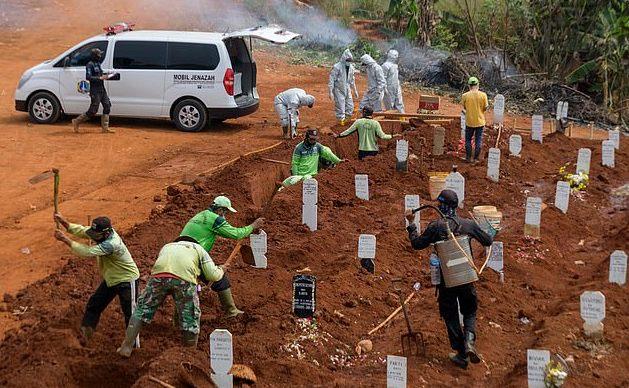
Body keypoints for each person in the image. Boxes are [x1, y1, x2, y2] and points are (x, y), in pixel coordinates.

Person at [404, 190, 492, 369]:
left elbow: (417, 244)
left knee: (450, 315)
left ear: (440, 205)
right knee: (469, 311)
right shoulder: (467, 224)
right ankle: (469, 341)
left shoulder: (436, 226)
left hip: (447, 282)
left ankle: (461, 353)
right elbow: (488, 240)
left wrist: (411, 225)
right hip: (467, 278)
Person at [117, 236, 226, 357]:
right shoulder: (198, 248)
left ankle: (126, 347)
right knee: (190, 315)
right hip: (183, 279)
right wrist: (221, 269)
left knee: (142, 309)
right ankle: (189, 355)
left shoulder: (167, 246)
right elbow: (213, 275)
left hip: (158, 276)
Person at [53, 214, 140, 342]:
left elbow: (87, 252)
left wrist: (66, 240)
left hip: (127, 280)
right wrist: (64, 222)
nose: (94, 237)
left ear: (106, 233)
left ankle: (133, 347)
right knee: (94, 305)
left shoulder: (111, 244)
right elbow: (83, 231)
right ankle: (85, 335)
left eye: (96, 236)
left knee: (130, 314)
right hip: (112, 279)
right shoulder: (102, 234)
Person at [179, 196, 264, 317]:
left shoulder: (200, 215)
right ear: (220, 210)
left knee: (187, 285)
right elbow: (235, 234)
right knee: (220, 278)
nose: (225, 215)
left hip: (179, 252)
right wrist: (253, 226)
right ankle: (231, 311)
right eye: (225, 212)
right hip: (194, 254)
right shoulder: (215, 219)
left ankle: (181, 316)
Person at [72, 48, 115, 134]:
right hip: (95, 90)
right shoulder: (89, 65)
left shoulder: (98, 64)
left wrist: (109, 75)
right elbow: (88, 77)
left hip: (102, 89)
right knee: (93, 110)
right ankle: (77, 121)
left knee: (107, 106)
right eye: (99, 55)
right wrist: (99, 78)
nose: (100, 56)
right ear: (95, 56)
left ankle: (105, 128)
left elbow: (101, 73)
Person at [333, 106, 400, 160]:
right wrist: (393, 136)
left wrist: (338, 135)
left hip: (362, 150)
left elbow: (348, 131)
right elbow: (382, 136)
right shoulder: (375, 123)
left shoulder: (358, 122)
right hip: (374, 150)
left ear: (364, 113)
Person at [328, 49, 359, 125]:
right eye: (348, 60)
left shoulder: (351, 68)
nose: (349, 62)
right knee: (340, 106)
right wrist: (330, 92)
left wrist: (355, 90)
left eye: (350, 60)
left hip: (347, 88)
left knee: (350, 106)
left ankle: (347, 120)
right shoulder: (337, 67)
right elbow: (331, 80)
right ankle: (341, 122)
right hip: (338, 89)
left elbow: (352, 80)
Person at [461, 76, 488, 163]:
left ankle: (468, 158)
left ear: (469, 86)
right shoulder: (483, 95)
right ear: (478, 85)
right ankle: (476, 158)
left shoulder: (465, 96)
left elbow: (465, 107)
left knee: (468, 140)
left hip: (469, 121)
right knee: (478, 140)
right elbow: (485, 108)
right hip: (480, 121)